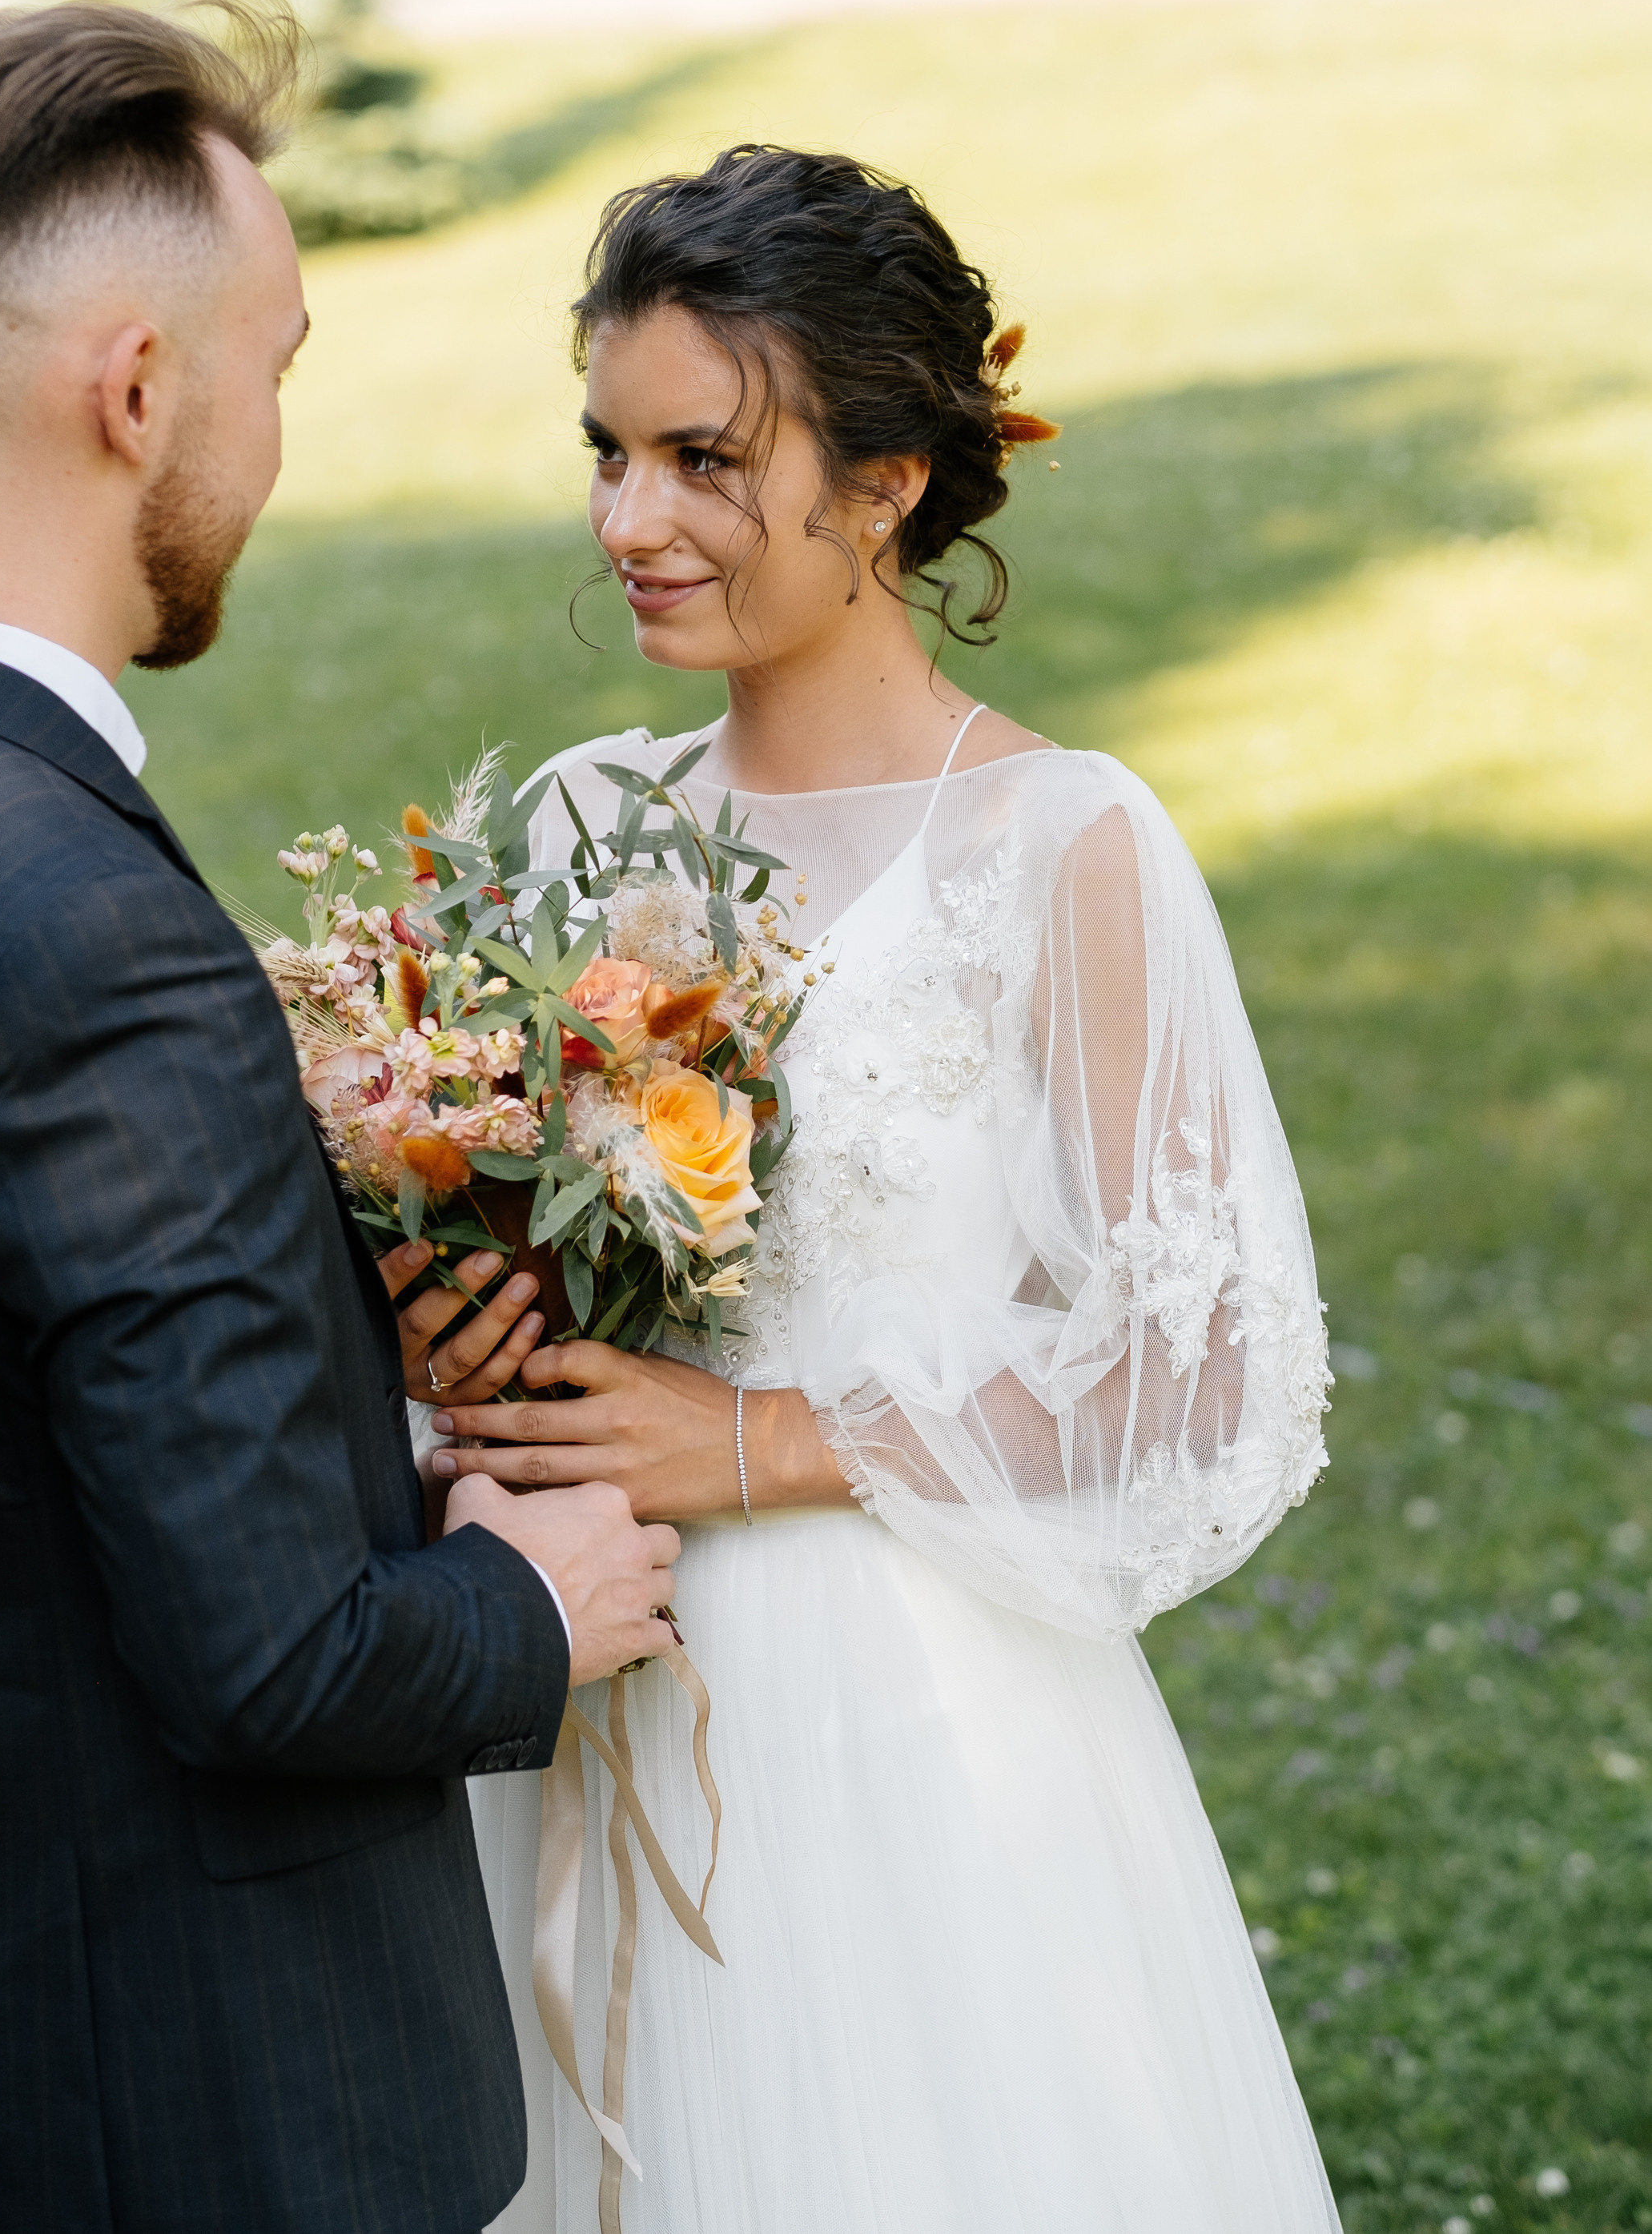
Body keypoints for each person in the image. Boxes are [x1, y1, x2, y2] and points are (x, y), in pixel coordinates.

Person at [0, 2, 680, 2234]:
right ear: (139, 388)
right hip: (197, 2122)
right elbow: (272, 1651)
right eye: (274, 364)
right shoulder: (88, 933)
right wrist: (526, 1586)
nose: (273, 439)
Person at [422, 145, 1342, 2231]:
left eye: (703, 458)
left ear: (891, 478)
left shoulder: (1060, 847)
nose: (628, 519)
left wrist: (757, 1432)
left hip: (912, 1718)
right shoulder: (576, 826)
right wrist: (457, 1328)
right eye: (608, 451)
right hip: (579, 1658)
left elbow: (1200, 1382)